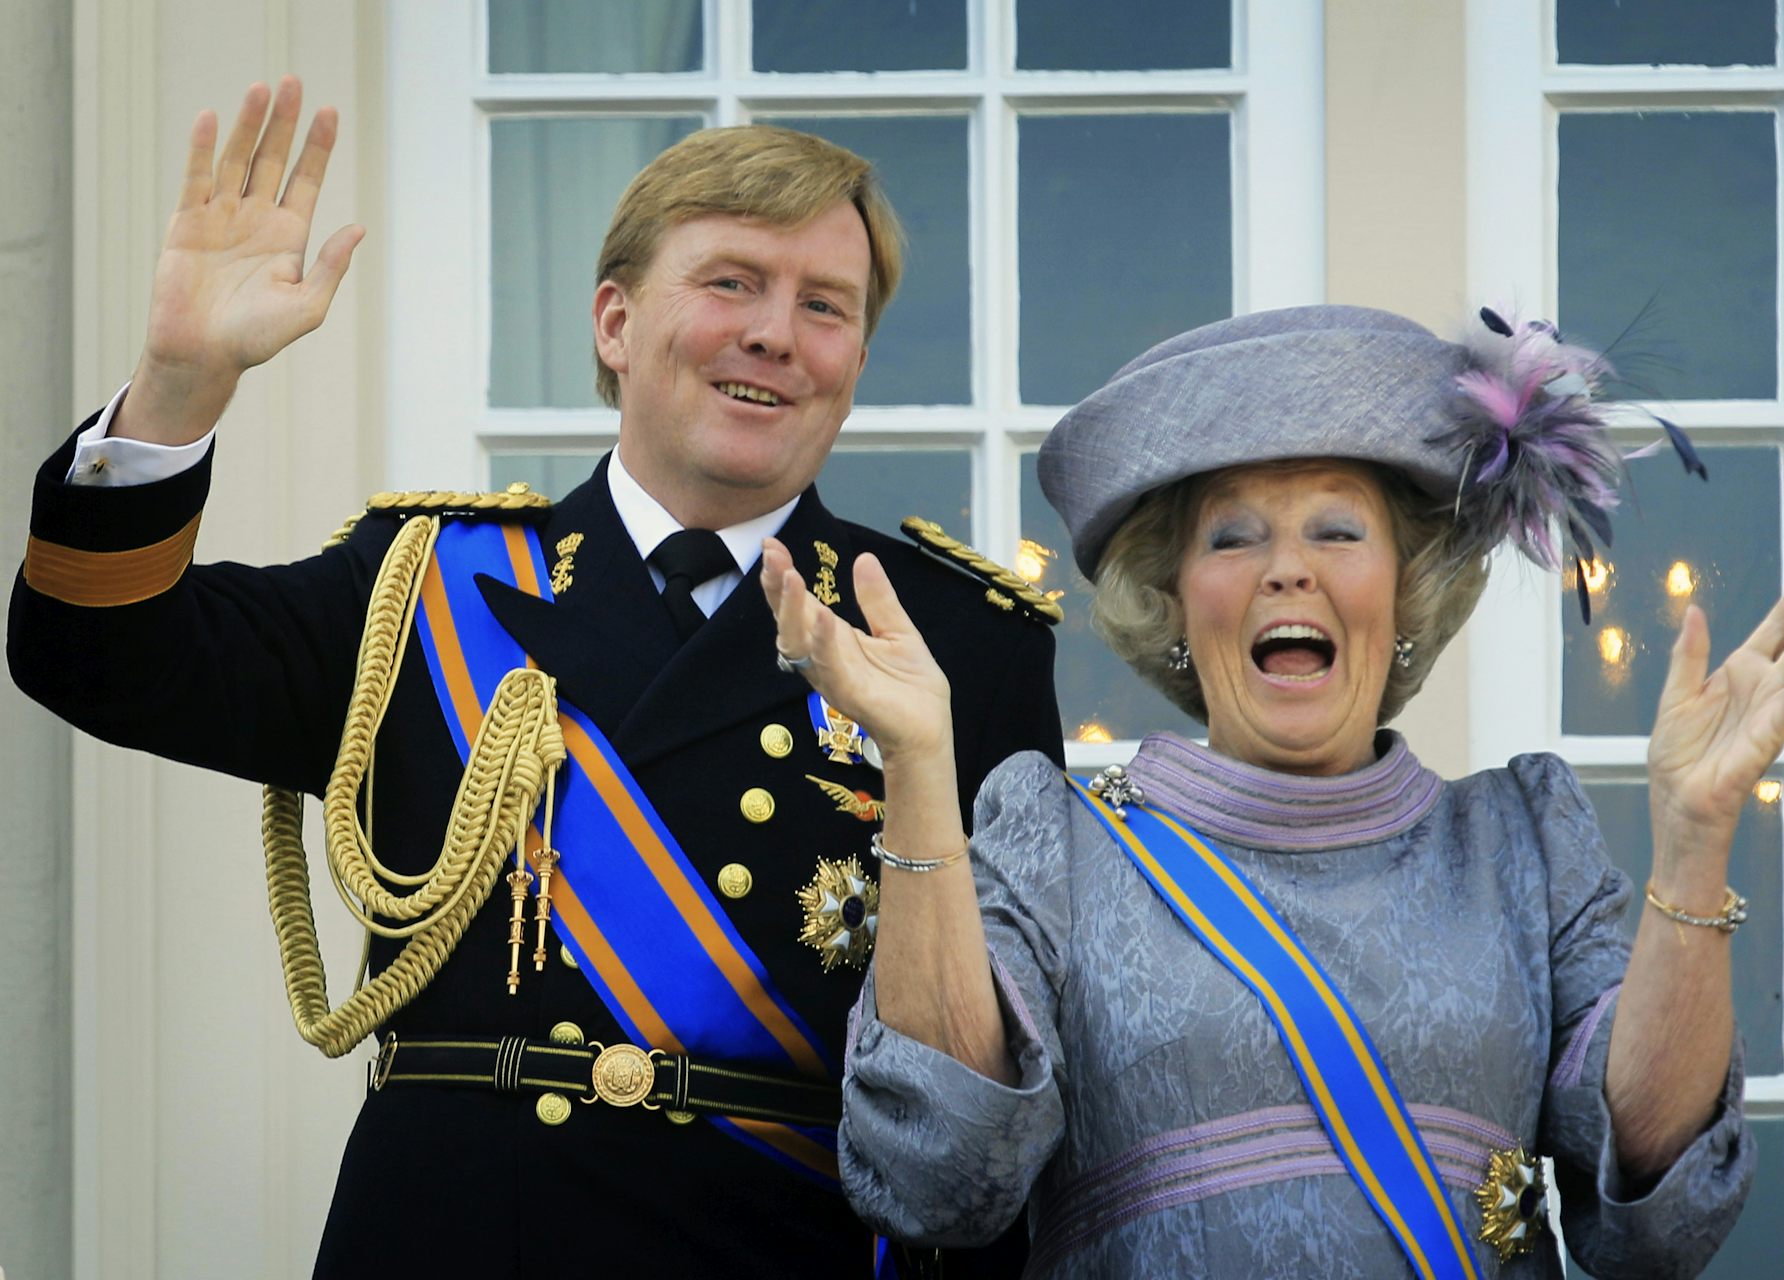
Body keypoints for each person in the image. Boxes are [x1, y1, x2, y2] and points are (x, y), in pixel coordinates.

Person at [8, 76, 1063, 1276]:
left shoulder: (954, 640)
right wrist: (181, 384)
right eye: (730, 282)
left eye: (826, 304)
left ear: (855, 358)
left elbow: (991, 1083)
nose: (776, 332)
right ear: (615, 323)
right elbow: (95, 653)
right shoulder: (422, 586)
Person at [758, 305, 1784, 1278]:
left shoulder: (1525, 839)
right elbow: (938, 1181)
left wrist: (1697, 835)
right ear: (1177, 602)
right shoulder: (1055, 842)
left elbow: (1659, 1219)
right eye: (1235, 536)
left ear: (1407, 587)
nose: (1290, 567)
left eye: (1338, 529)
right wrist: (912, 764)